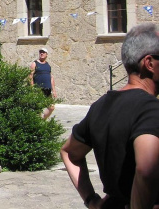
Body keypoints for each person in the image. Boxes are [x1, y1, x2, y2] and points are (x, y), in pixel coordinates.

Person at [61, 23, 159, 209]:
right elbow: (146, 169)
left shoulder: (100, 106)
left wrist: (91, 200)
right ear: (149, 63)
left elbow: (69, 152)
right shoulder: (151, 109)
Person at [29, 48, 56, 119]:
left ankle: (43, 120)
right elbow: (30, 76)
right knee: (38, 108)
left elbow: (51, 78)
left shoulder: (48, 65)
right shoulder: (35, 63)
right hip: (38, 90)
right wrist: (32, 88)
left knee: (51, 107)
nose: (41, 53)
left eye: (43, 52)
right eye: (40, 52)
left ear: (46, 54)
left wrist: (54, 90)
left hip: (47, 90)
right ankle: (37, 123)